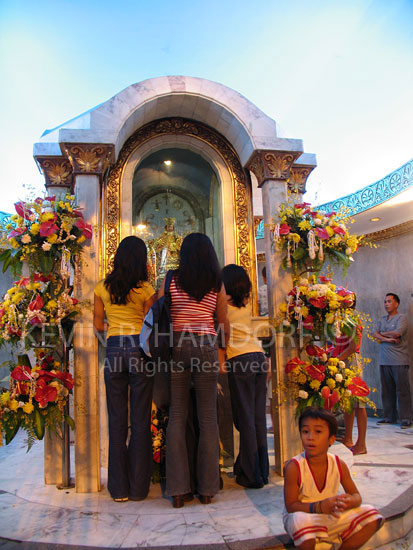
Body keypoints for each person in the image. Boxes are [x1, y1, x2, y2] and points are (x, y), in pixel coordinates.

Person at [157, 233, 229, 508]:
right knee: (208, 418)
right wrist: (221, 353)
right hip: (207, 347)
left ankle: (177, 490)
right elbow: (222, 323)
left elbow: (160, 310)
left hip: (177, 346)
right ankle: (208, 489)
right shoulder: (216, 283)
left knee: (177, 415)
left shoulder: (171, 279)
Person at [93, 236, 156, 502]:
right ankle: (139, 488)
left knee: (117, 421)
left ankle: (118, 489)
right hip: (139, 350)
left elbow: (98, 324)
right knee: (140, 421)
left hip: (115, 349)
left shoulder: (101, 288)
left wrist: (115, 332)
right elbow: (150, 325)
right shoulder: (146, 289)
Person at [283, 407, 383, 549]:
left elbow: (356, 496)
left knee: (372, 515)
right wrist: (319, 506)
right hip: (306, 516)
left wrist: (350, 501)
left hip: (329, 515)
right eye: (305, 431)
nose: (310, 437)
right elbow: (291, 506)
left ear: (331, 439)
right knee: (299, 520)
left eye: (318, 432)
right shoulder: (294, 466)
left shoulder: (338, 464)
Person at [221, 264, 269, 489]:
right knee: (258, 418)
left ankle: (251, 475)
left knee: (245, 419)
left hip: (239, 360)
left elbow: (224, 334)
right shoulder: (246, 304)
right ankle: (260, 470)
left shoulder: (223, 307)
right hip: (259, 357)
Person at [332, 295, 367, 455]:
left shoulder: (352, 320)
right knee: (348, 402)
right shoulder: (342, 319)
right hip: (343, 361)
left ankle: (361, 444)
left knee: (358, 404)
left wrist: (335, 360)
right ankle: (348, 438)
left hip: (351, 362)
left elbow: (353, 347)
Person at [373, 293, 412, 429]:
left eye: (389, 301)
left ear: (396, 303)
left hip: (399, 361)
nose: (386, 304)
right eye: (385, 302)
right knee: (387, 390)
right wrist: (388, 339)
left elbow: (397, 333)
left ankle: (406, 418)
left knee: (402, 390)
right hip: (384, 361)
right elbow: (374, 333)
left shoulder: (402, 318)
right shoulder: (382, 320)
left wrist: (382, 334)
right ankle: (389, 416)